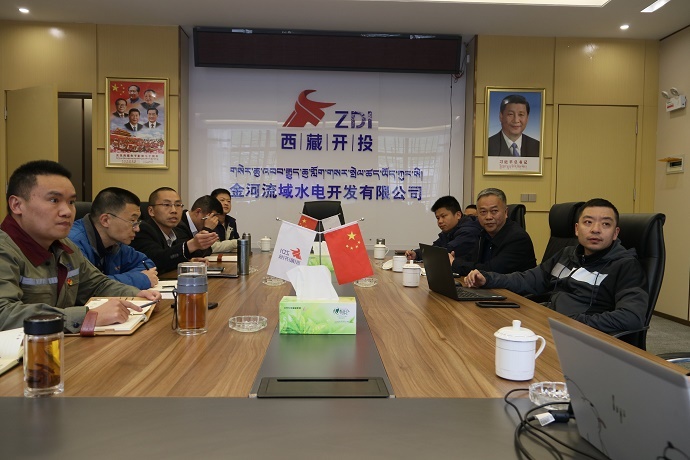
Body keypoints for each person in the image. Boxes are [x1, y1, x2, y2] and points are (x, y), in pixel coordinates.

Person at [0, 160, 160, 332]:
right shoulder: (5, 249)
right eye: (54, 200)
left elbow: (97, 284)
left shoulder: (63, 246)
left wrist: (136, 294)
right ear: (17, 205)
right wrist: (87, 317)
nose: (67, 211)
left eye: (71, 202)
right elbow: (4, 313)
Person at [466, 198, 648, 335]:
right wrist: (487, 278)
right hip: (548, 324)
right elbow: (529, 279)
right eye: (588, 222)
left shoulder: (625, 266)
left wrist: (571, 322)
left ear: (615, 233)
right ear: (577, 229)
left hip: (579, 338)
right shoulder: (568, 255)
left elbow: (632, 317)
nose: (595, 229)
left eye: (606, 224)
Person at [68, 187, 158, 290]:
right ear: (105, 220)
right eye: (132, 220)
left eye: (137, 221)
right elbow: (83, 286)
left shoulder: (115, 243)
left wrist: (114, 280)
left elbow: (147, 265)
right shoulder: (72, 243)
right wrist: (139, 279)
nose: (137, 228)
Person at [130, 187, 218, 274]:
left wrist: (188, 261)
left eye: (178, 205)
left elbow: (172, 257)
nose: (174, 210)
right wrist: (191, 244)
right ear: (151, 211)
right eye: (166, 205)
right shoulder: (142, 229)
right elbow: (155, 260)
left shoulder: (178, 230)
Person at [451, 188, 536, 276]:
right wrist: (454, 261)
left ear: (506, 212)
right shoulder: (484, 234)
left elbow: (490, 271)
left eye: (494, 211)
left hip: (513, 285)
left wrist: (455, 264)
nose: (488, 217)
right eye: (483, 212)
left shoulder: (517, 238)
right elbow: (472, 259)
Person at [405, 196, 481, 262]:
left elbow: (444, 251)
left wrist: (420, 254)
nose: (440, 221)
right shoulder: (449, 231)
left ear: (458, 215)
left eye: (443, 216)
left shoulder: (469, 231)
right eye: (438, 218)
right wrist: (416, 254)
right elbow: (435, 248)